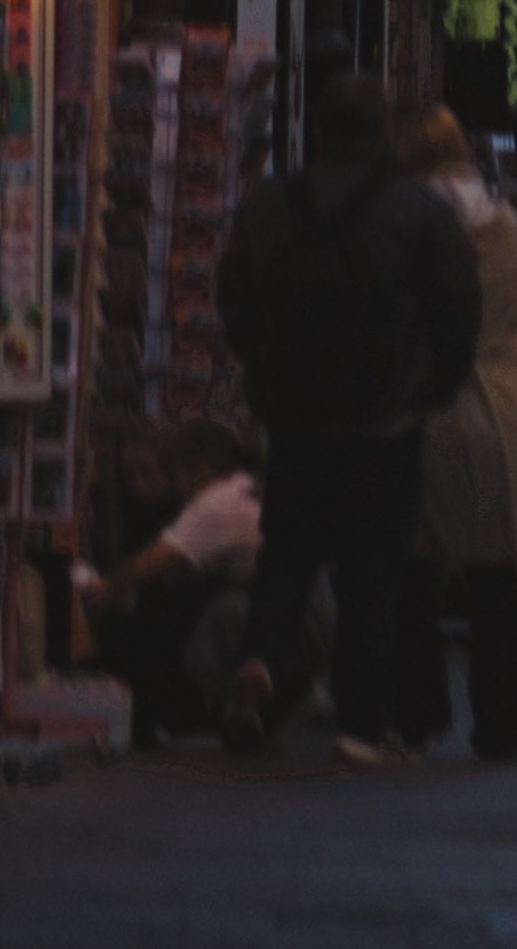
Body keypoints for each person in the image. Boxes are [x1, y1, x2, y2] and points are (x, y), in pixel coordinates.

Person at [215, 68, 479, 764]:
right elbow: (459, 306)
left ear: (321, 129)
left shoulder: (270, 207)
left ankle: (261, 660)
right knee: (374, 570)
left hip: (295, 416)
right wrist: (434, 384)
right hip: (385, 421)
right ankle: (362, 720)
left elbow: (233, 296)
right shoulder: (418, 212)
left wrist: (265, 371)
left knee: (288, 554)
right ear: (385, 130)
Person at [386, 107, 517, 762]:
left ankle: (418, 711)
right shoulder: (506, 224)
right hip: (496, 409)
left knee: (411, 571)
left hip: (424, 406)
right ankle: (501, 725)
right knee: (497, 583)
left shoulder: (406, 225)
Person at [78, 414, 264, 745]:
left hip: (241, 611)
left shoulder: (207, 507)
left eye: (148, 472)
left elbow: (140, 571)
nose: (137, 484)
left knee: (136, 619)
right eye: (128, 474)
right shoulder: (226, 496)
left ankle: (169, 713)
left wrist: (109, 596)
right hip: (240, 604)